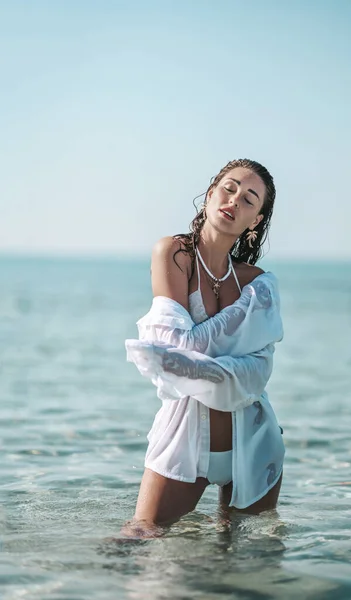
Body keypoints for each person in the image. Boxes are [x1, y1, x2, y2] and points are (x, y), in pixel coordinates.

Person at [123, 158, 285, 536]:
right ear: (211, 193)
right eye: (228, 188)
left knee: (249, 568)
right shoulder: (175, 254)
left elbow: (259, 370)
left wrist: (195, 358)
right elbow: (171, 348)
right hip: (184, 439)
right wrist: (227, 358)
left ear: (255, 220)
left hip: (255, 437)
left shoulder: (257, 283)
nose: (234, 200)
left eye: (249, 199)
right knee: (136, 538)